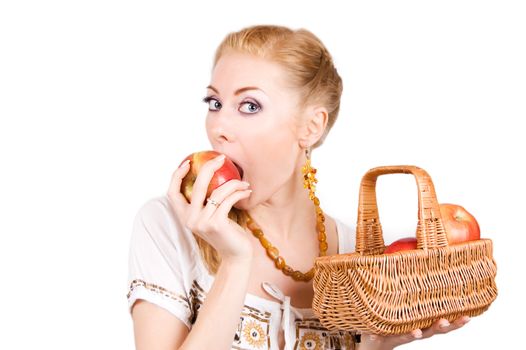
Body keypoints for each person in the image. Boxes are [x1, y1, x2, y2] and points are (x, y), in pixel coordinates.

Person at [127, 25, 470, 350]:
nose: (219, 127)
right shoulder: (168, 226)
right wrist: (235, 262)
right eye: (214, 104)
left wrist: (373, 347)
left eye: (249, 106)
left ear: (311, 127)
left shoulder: (358, 254)